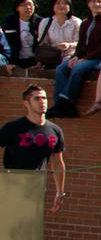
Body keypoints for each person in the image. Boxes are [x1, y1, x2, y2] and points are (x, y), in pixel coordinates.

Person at [1, 84, 68, 230]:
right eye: (37, 99)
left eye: (44, 98)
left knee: (27, 231)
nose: (42, 102)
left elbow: (57, 163)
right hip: (12, 183)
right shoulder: (12, 127)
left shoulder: (55, 131)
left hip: (36, 186)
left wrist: (59, 193)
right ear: (26, 103)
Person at [52, 0, 101, 114]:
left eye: (100, 1)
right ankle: (59, 103)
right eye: (93, 1)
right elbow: (81, 44)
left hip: (99, 59)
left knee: (78, 68)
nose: (97, 4)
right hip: (85, 57)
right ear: (88, 4)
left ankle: (67, 101)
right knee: (61, 68)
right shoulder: (86, 22)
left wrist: (84, 59)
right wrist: (75, 57)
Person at [1, 0, 43, 73]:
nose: (28, 7)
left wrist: (40, 62)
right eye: (23, 5)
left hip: (37, 60)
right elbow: (12, 44)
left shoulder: (41, 22)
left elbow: (43, 44)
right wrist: (12, 63)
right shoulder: (11, 21)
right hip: (18, 59)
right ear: (17, 8)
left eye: (30, 4)